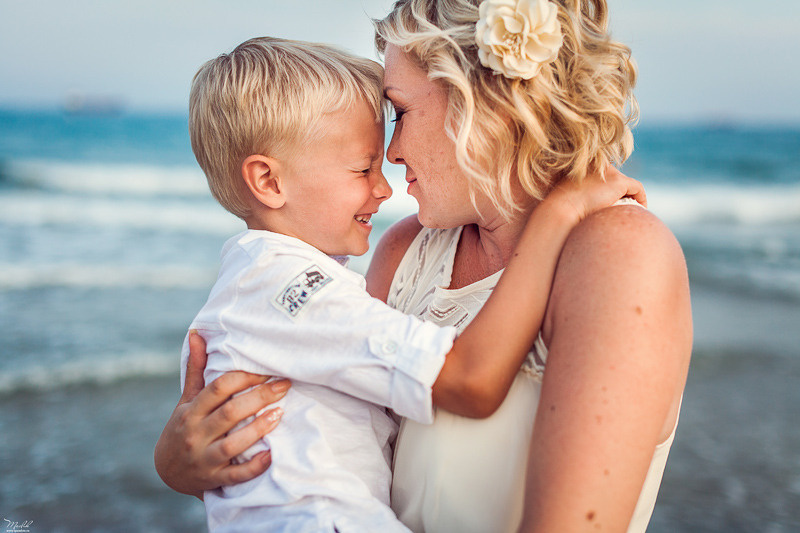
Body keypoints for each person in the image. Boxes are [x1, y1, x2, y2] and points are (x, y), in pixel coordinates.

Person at [155, 1, 692, 531]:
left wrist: (558, 216)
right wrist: (184, 466)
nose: (391, 154)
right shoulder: (405, 251)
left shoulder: (619, 254)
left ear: (486, 105)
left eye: (401, 112)